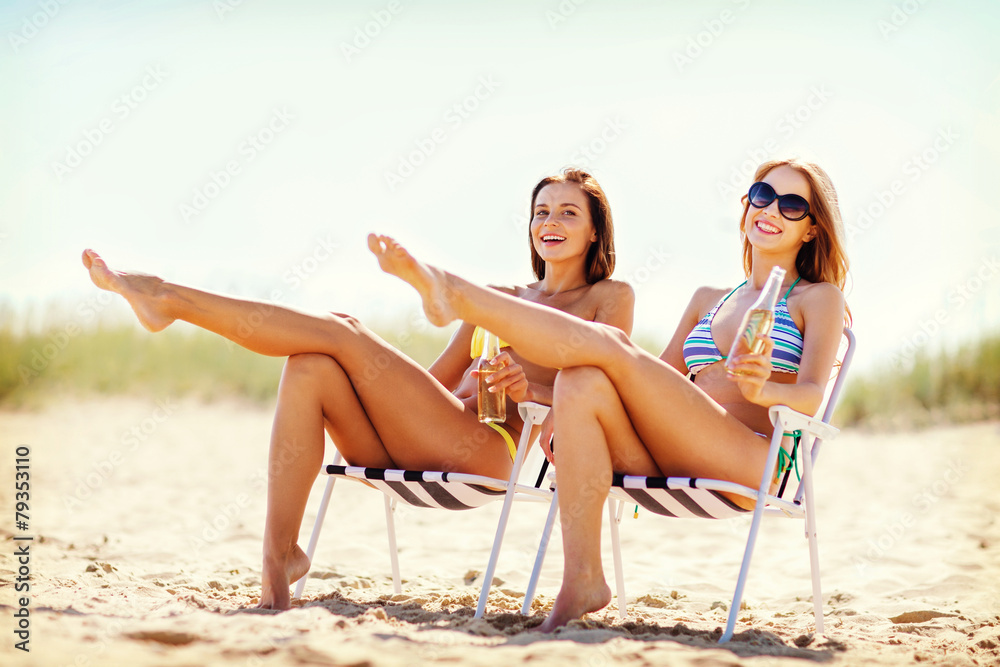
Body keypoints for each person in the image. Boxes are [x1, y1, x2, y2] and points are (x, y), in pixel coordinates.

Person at [81, 168, 635, 611]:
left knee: (343, 329)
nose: (551, 221)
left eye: (568, 212)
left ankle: (169, 299)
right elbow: (437, 380)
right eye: (541, 211)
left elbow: (596, 386)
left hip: (489, 449)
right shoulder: (497, 295)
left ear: (594, 230)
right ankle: (280, 556)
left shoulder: (608, 297)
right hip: (425, 432)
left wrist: (527, 391)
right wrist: (381, 386)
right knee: (311, 366)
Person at [368, 157, 850, 630]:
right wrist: (552, 401)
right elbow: (652, 382)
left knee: (609, 354)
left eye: (791, 205)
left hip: (753, 461)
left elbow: (811, 398)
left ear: (810, 229)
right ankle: (583, 579)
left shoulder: (817, 298)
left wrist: (761, 389)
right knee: (583, 378)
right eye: (764, 196)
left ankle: (463, 297)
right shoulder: (709, 299)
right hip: (678, 453)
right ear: (746, 206)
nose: (771, 210)